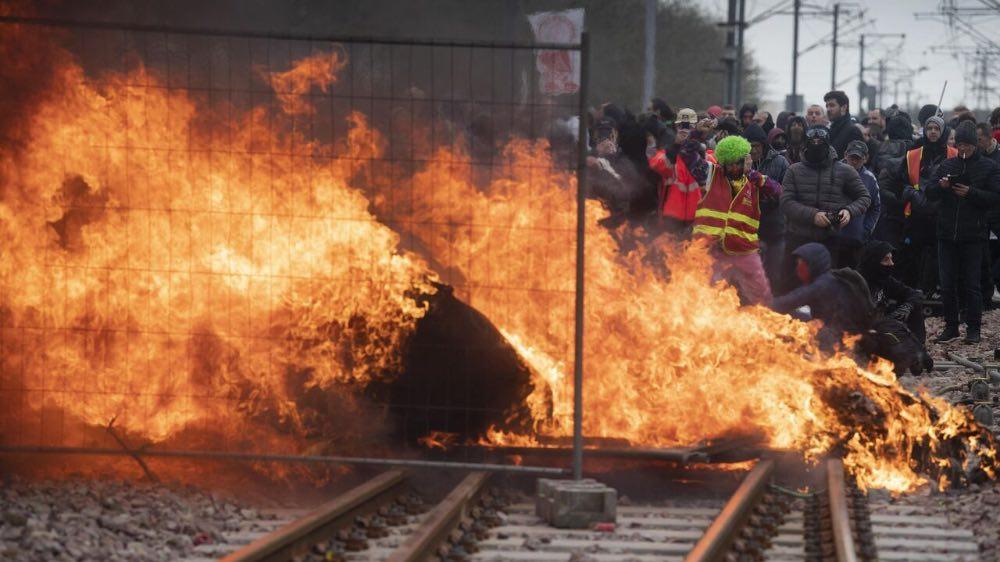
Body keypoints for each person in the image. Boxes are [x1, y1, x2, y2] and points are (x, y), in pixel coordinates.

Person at [925, 121, 1000, 344]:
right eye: (960, 145)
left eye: (967, 145)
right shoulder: (947, 166)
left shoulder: (989, 167)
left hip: (973, 235)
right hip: (946, 234)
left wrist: (971, 192)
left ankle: (973, 328)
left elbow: (995, 197)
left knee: (972, 284)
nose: (963, 150)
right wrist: (942, 187)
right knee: (947, 284)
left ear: (975, 145)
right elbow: (929, 192)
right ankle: (951, 326)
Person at [779, 125, 871, 291]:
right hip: (797, 238)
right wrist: (813, 215)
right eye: (812, 144)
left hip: (829, 240)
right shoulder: (793, 171)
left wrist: (849, 211)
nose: (816, 148)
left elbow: (864, 197)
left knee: (825, 291)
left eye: (820, 144)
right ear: (805, 146)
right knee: (790, 289)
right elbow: (786, 202)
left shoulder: (845, 171)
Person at [692, 135, 781, 305]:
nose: (733, 167)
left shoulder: (754, 180)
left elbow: (778, 191)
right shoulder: (711, 173)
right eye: (729, 163)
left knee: (762, 295)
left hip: (744, 249)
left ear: (745, 161)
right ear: (723, 162)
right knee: (707, 296)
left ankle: (766, 326)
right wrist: (698, 134)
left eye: (737, 162)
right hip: (711, 250)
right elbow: (690, 160)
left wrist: (755, 175)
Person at [893, 115, 956, 297]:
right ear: (925, 130)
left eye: (937, 128)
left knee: (939, 254)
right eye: (930, 128)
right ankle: (911, 289)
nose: (933, 132)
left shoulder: (953, 153)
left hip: (943, 212)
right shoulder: (913, 154)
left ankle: (934, 289)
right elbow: (900, 181)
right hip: (916, 212)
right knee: (912, 254)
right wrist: (912, 194)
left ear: (943, 131)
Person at [771, 242, 875, 350]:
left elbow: (789, 301)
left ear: (814, 264)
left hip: (838, 339)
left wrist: (760, 304)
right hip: (845, 333)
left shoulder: (822, 284)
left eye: (802, 263)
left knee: (790, 317)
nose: (798, 267)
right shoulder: (831, 278)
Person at [856, 241, 933, 375]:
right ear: (874, 261)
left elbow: (915, 294)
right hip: (861, 334)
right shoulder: (857, 282)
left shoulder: (885, 280)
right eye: (886, 260)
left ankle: (917, 352)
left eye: (891, 259)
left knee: (914, 307)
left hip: (882, 327)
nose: (891, 264)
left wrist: (907, 307)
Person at [647, 108, 709, 234]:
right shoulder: (665, 153)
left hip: (698, 220)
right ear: (676, 127)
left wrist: (699, 148)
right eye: (681, 126)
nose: (685, 130)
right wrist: (675, 146)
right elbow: (658, 166)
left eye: (690, 127)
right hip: (669, 222)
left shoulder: (706, 154)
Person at [746, 124, 791, 289]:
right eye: (750, 146)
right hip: (748, 229)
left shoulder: (779, 162)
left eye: (757, 146)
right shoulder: (739, 162)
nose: (754, 150)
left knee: (773, 275)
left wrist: (769, 197)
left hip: (774, 229)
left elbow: (787, 192)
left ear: (764, 146)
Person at [841, 140, 882, 243]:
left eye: (858, 159)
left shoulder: (870, 178)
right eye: (852, 157)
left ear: (865, 159)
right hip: (831, 236)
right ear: (845, 155)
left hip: (855, 239)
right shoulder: (833, 170)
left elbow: (876, 207)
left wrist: (865, 230)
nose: (854, 161)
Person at [824, 90, 865, 159]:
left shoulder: (853, 131)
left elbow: (855, 161)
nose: (828, 109)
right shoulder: (831, 129)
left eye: (832, 105)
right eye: (827, 106)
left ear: (844, 107)